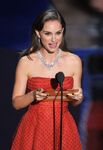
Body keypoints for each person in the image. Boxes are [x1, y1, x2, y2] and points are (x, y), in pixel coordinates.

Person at [11, 9, 83, 150]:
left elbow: (76, 101)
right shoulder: (26, 62)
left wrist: (78, 96)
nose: (54, 40)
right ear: (38, 33)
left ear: (63, 31)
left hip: (63, 127)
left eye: (58, 33)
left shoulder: (74, 61)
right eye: (47, 34)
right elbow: (16, 103)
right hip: (34, 127)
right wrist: (32, 95)